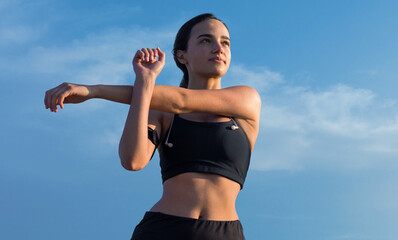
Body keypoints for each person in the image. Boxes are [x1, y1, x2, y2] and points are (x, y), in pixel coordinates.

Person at [43, 13, 260, 240]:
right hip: (162, 230)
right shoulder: (162, 111)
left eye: (225, 42)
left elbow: (182, 101)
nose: (219, 48)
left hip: (225, 234)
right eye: (206, 40)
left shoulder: (246, 100)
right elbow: (132, 160)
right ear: (181, 55)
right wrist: (144, 82)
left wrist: (93, 91)